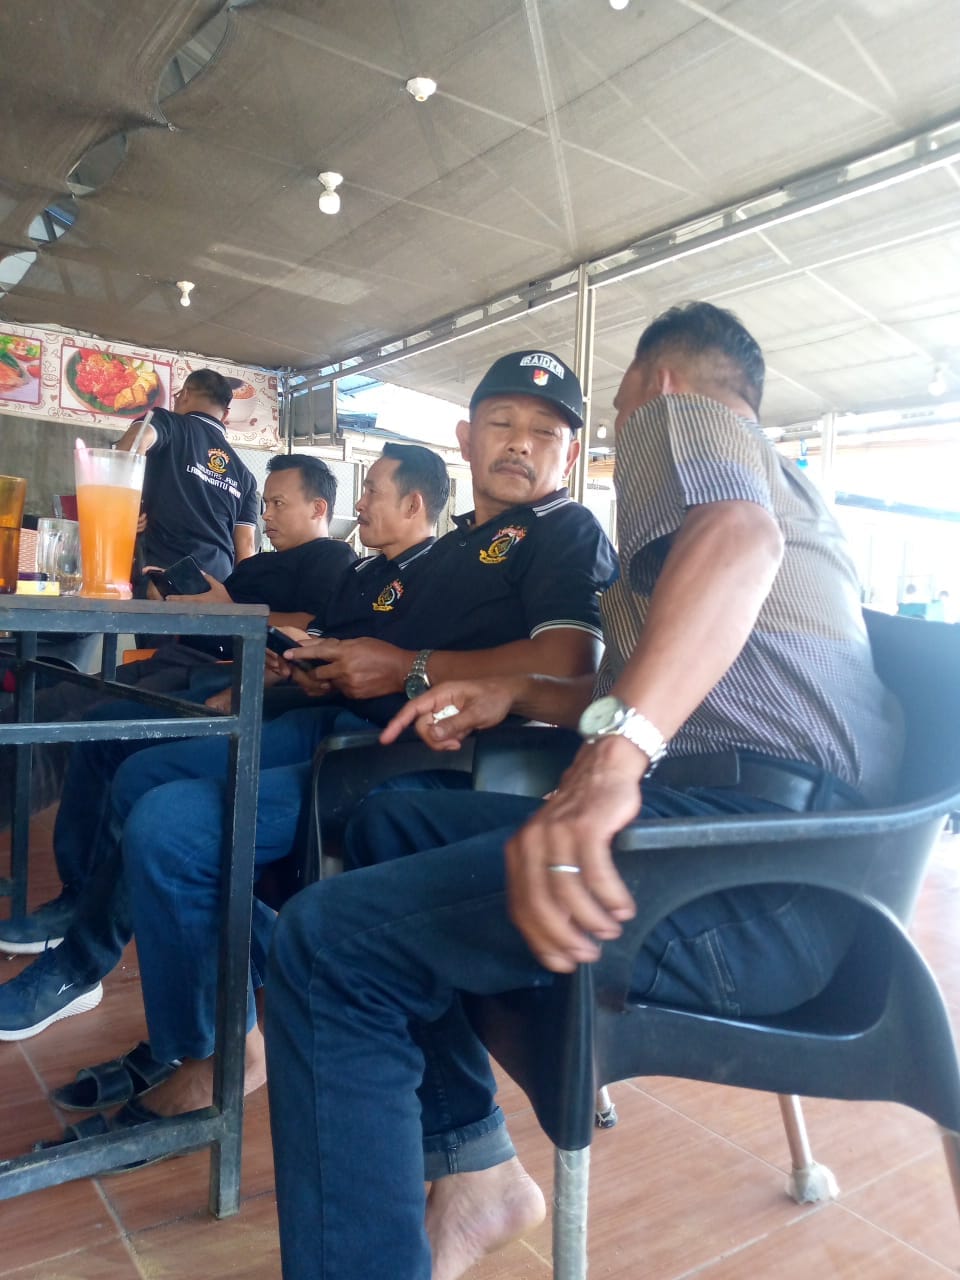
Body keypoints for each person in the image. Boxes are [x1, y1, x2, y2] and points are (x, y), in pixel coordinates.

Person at [264, 303, 904, 1280]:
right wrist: (512, 692)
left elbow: (738, 539)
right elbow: (611, 685)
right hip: (802, 874)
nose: (616, 431)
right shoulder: (781, 495)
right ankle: (474, 1166)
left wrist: (613, 762)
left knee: (324, 943)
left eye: (610, 413)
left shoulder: (685, 425)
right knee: (394, 820)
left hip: (745, 874)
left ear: (654, 387)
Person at [32, 353, 616, 1144]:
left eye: (545, 432)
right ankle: (219, 1011)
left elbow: (568, 665)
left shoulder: (564, 530)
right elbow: (380, 650)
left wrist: (406, 668)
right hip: (347, 726)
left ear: (571, 455)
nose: (520, 442)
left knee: (171, 827)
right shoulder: (451, 548)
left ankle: (211, 1051)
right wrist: (326, 666)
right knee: (144, 776)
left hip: (427, 762)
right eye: (502, 423)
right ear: (465, 437)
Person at [0, 443, 445, 1040]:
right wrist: (290, 660)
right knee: (118, 751)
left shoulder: (422, 572)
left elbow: (388, 669)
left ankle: (100, 971)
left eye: (371, 492)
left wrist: (257, 667)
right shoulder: (364, 573)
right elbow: (319, 642)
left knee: (157, 807)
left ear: (413, 504)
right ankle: (119, 930)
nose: (358, 504)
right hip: (291, 701)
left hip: (346, 739)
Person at [118, 368, 260, 585]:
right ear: (226, 415)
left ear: (184, 395)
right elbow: (246, 546)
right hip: (216, 585)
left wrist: (125, 507)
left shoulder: (167, 422)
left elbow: (132, 445)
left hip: (161, 579)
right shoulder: (245, 476)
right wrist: (236, 597)